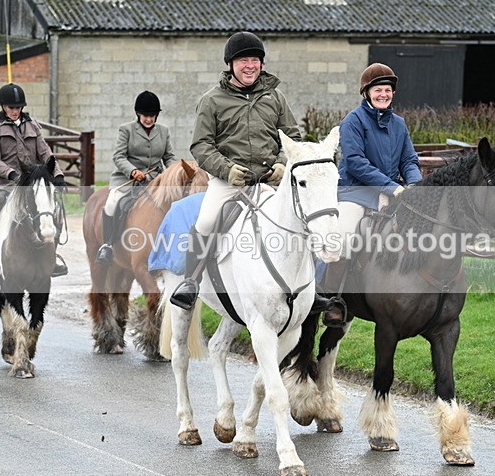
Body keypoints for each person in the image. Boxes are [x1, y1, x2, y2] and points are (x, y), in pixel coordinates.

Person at [169, 31, 301, 309]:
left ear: (262, 64)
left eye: (255, 60)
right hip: (229, 181)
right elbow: (201, 145)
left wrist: (281, 164)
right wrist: (227, 170)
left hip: (270, 180)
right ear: (230, 64)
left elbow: (292, 138)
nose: (250, 66)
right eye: (243, 60)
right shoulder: (212, 100)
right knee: (206, 221)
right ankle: (191, 282)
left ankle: (311, 288)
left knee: (304, 218)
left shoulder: (276, 97)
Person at [321, 63, 422, 325]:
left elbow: (409, 160)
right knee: (344, 238)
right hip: (354, 192)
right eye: (378, 90)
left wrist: (414, 184)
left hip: (391, 192)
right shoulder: (352, 121)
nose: (383, 95)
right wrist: (392, 187)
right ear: (366, 92)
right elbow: (355, 163)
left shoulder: (399, 124)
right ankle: (332, 301)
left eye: (387, 90)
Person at [0, 83, 67, 281]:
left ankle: (52, 256)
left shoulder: (32, 126)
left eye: (18, 107)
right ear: (3, 106)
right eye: (11, 107)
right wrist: (12, 174)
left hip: (28, 182)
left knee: (53, 207)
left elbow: (46, 153)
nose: (15, 111)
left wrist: (58, 174)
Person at [96, 90, 178, 264]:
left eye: (152, 116)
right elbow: (119, 156)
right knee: (111, 204)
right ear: (138, 114)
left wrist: (172, 172)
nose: (149, 119)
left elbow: (169, 157)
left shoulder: (163, 131)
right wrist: (133, 171)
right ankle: (107, 245)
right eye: (145, 116)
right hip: (127, 180)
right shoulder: (126, 130)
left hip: (155, 180)